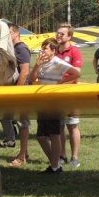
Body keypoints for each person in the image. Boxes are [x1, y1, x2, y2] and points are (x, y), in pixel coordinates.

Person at [29, 37, 80, 173]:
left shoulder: (58, 63)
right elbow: (31, 79)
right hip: (42, 102)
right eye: (42, 47)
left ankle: (55, 166)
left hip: (55, 103)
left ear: (53, 51)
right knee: (41, 136)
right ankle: (55, 164)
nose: (42, 50)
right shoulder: (41, 62)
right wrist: (37, 65)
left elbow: (76, 73)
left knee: (54, 134)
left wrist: (61, 83)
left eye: (45, 48)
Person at [0, 24, 32, 166]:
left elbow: (25, 71)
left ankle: (22, 157)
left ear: (17, 33)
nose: (8, 35)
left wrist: (17, 91)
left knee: (22, 124)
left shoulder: (21, 48)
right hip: (15, 89)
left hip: (21, 90)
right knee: (18, 123)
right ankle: (25, 153)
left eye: (10, 32)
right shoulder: (11, 49)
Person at [55, 23, 84, 168]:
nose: (58, 36)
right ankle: (62, 155)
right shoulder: (54, 52)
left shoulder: (75, 52)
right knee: (59, 126)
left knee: (72, 125)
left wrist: (60, 82)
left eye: (62, 34)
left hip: (70, 92)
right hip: (56, 93)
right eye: (57, 33)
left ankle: (75, 157)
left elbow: (76, 74)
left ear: (69, 36)